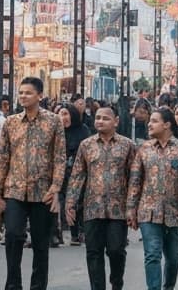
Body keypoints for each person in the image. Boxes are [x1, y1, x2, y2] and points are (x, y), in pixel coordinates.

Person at [0, 76, 65, 290]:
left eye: (28, 93)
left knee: (41, 243)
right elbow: (2, 157)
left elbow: (59, 157)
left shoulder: (54, 121)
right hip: (14, 190)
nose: (23, 96)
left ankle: (38, 285)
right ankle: (13, 284)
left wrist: (56, 188)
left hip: (43, 191)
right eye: (21, 92)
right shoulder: (11, 122)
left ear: (39, 96)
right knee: (13, 235)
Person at [128, 107, 178, 290]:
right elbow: (135, 180)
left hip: (174, 212)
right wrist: (131, 208)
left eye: (154, 121)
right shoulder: (144, 149)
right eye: (150, 121)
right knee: (152, 255)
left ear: (167, 125)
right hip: (148, 212)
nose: (149, 124)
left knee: (173, 258)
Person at [66, 106, 136, 290]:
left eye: (105, 118)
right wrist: (70, 203)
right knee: (93, 252)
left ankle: (116, 283)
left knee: (116, 250)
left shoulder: (127, 145)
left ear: (116, 121)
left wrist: (133, 207)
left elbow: (134, 178)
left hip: (118, 210)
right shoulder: (86, 145)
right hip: (92, 209)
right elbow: (77, 175)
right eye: (97, 118)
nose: (100, 121)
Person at [58, 104, 92, 247]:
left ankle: (81, 231)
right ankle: (69, 233)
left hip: (79, 173)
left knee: (79, 202)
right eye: (60, 114)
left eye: (66, 114)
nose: (63, 118)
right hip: (62, 173)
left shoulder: (83, 130)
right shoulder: (57, 132)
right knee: (64, 202)